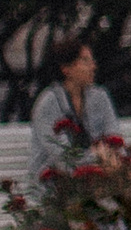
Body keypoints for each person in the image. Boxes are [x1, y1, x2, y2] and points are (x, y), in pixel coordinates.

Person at [29, 35, 118, 185]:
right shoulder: (48, 103)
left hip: (100, 176)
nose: (93, 66)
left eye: (92, 61)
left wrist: (108, 157)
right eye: (85, 61)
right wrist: (97, 157)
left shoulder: (100, 96)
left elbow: (114, 136)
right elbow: (61, 156)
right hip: (55, 183)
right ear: (66, 69)